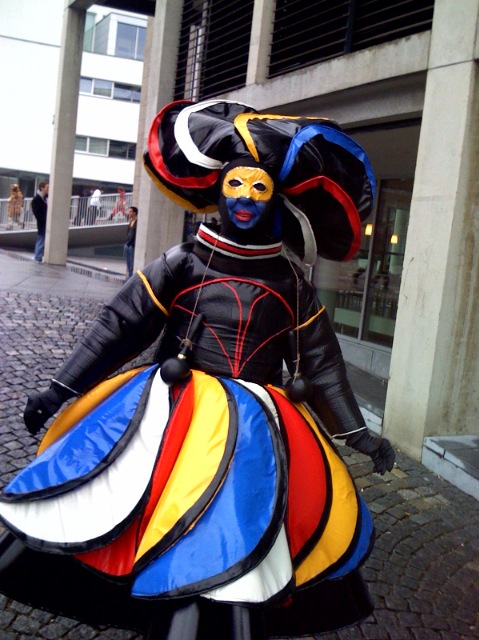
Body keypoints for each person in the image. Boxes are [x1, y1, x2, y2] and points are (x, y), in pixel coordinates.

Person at [0, 101, 394, 640]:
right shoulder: (183, 262)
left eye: (259, 188)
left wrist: (360, 435)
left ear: (274, 197)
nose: (246, 198)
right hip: (173, 415)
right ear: (218, 190)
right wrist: (57, 389)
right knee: (139, 510)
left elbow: (323, 364)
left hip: (257, 431)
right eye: (237, 184)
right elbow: (121, 326)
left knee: (236, 532)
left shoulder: (290, 282)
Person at [31, 181, 49, 262]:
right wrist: (43, 219)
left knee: (42, 240)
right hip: (42, 223)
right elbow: (37, 213)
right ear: (42, 188)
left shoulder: (47, 198)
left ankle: (39, 257)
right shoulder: (36, 199)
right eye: (47, 187)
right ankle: (37, 257)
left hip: (47, 223)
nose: (48, 189)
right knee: (41, 239)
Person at [124, 206, 138, 278]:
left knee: (131, 261)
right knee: (128, 261)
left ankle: (131, 276)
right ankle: (129, 275)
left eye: (130, 212)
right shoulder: (131, 222)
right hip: (128, 244)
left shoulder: (137, 222)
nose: (128, 213)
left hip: (132, 245)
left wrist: (132, 243)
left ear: (134, 213)